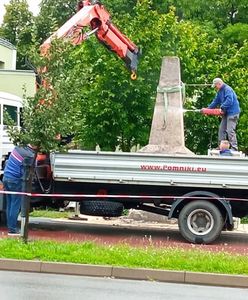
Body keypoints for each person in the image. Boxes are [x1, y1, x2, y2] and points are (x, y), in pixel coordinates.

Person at [2, 144, 36, 236]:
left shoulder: (18, 148)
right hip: (15, 181)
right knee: (15, 205)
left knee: (10, 204)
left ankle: (10, 227)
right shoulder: (30, 155)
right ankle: (12, 229)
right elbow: (28, 171)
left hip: (6, 177)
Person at [204, 78, 240, 151]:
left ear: (219, 84)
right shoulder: (220, 91)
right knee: (221, 130)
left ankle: (234, 148)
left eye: (215, 86)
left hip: (233, 113)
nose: (215, 88)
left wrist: (222, 108)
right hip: (226, 114)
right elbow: (215, 101)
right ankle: (221, 147)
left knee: (230, 130)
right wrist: (208, 110)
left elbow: (229, 100)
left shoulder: (228, 89)